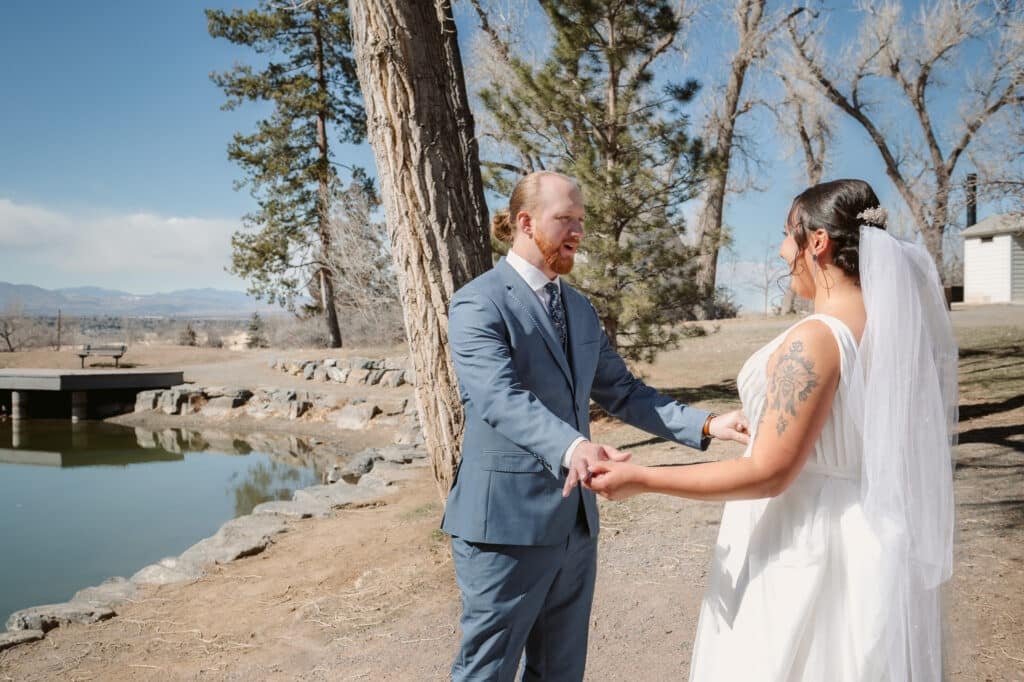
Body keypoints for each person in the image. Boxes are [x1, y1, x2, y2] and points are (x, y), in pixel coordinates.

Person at [588, 179, 958, 681]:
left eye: (789, 235)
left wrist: (645, 479)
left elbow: (769, 474)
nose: (784, 251)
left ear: (818, 242)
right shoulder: (891, 329)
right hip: (869, 537)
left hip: (803, 546)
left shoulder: (815, 339)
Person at [441, 170, 750, 681]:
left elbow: (624, 392)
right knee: (486, 672)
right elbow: (499, 397)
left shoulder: (580, 310)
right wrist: (574, 445)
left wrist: (711, 424)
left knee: (561, 672)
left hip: (576, 526)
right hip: (504, 529)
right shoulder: (478, 302)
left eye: (581, 221)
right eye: (566, 219)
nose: (578, 232)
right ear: (525, 221)